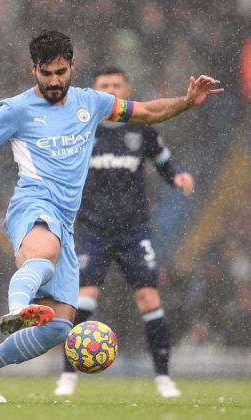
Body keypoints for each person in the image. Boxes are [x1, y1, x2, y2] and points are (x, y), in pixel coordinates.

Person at [0, 30, 222, 402]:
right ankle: (17, 309)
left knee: (60, 327)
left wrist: (188, 101)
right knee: (41, 250)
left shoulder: (91, 102)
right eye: (45, 73)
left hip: (67, 221)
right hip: (32, 204)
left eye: (60, 72)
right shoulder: (15, 109)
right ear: (33, 69)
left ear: (72, 66)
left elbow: (143, 112)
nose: (53, 81)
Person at [53, 66, 194, 398]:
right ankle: (67, 376)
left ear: (127, 90)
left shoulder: (142, 130)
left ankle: (163, 378)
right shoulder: (81, 130)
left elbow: (164, 161)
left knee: (149, 297)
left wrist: (177, 177)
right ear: (96, 92)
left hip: (134, 230)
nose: (113, 90)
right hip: (92, 229)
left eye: (117, 85)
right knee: (83, 300)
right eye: (105, 86)